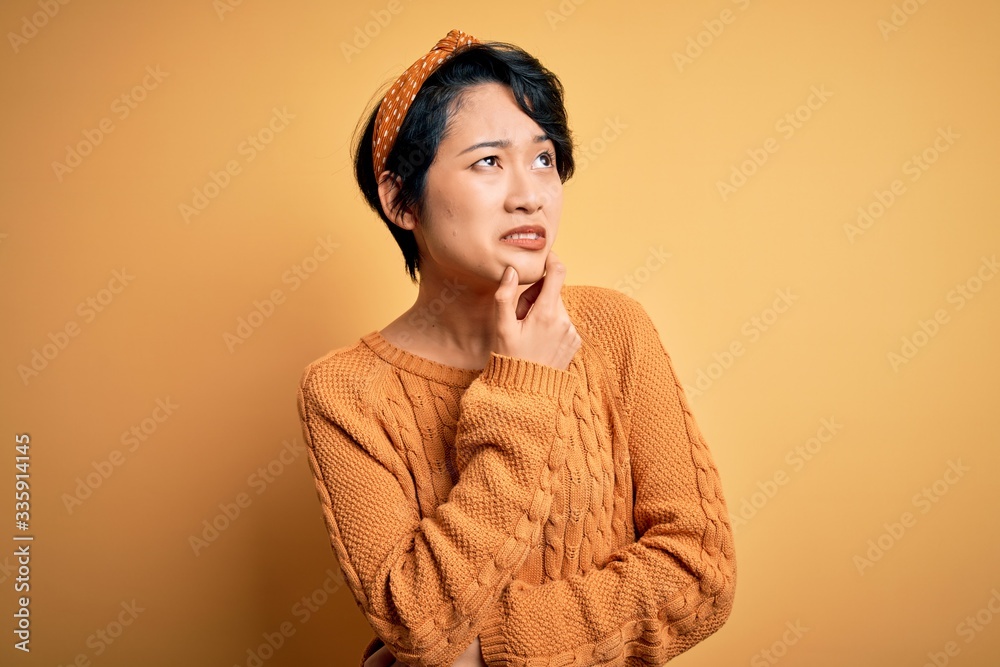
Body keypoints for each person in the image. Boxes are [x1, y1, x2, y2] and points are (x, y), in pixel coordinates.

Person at [295, 28, 737, 667]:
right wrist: (521, 385)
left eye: (543, 159)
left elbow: (700, 574)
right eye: (488, 161)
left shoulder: (614, 329)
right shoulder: (345, 394)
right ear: (400, 200)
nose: (530, 194)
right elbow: (418, 622)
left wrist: (483, 653)